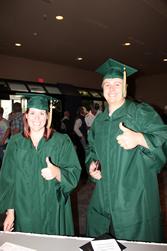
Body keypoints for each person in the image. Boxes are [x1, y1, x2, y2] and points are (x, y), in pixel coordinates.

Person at [86, 58, 167, 242]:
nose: (112, 88)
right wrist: (92, 167)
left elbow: (164, 138)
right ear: (102, 88)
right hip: (103, 198)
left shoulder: (140, 112)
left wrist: (139, 138)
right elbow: (91, 150)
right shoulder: (99, 121)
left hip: (134, 199)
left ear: (125, 87)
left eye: (117, 84)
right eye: (107, 84)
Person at [0, 94, 81, 235]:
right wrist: (10, 212)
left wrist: (57, 172)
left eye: (41, 113)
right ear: (26, 115)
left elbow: (74, 173)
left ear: (47, 116)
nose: (37, 118)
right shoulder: (15, 143)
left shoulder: (61, 141)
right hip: (24, 208)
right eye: (32, 113)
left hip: (53, 209)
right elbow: (9, 180)